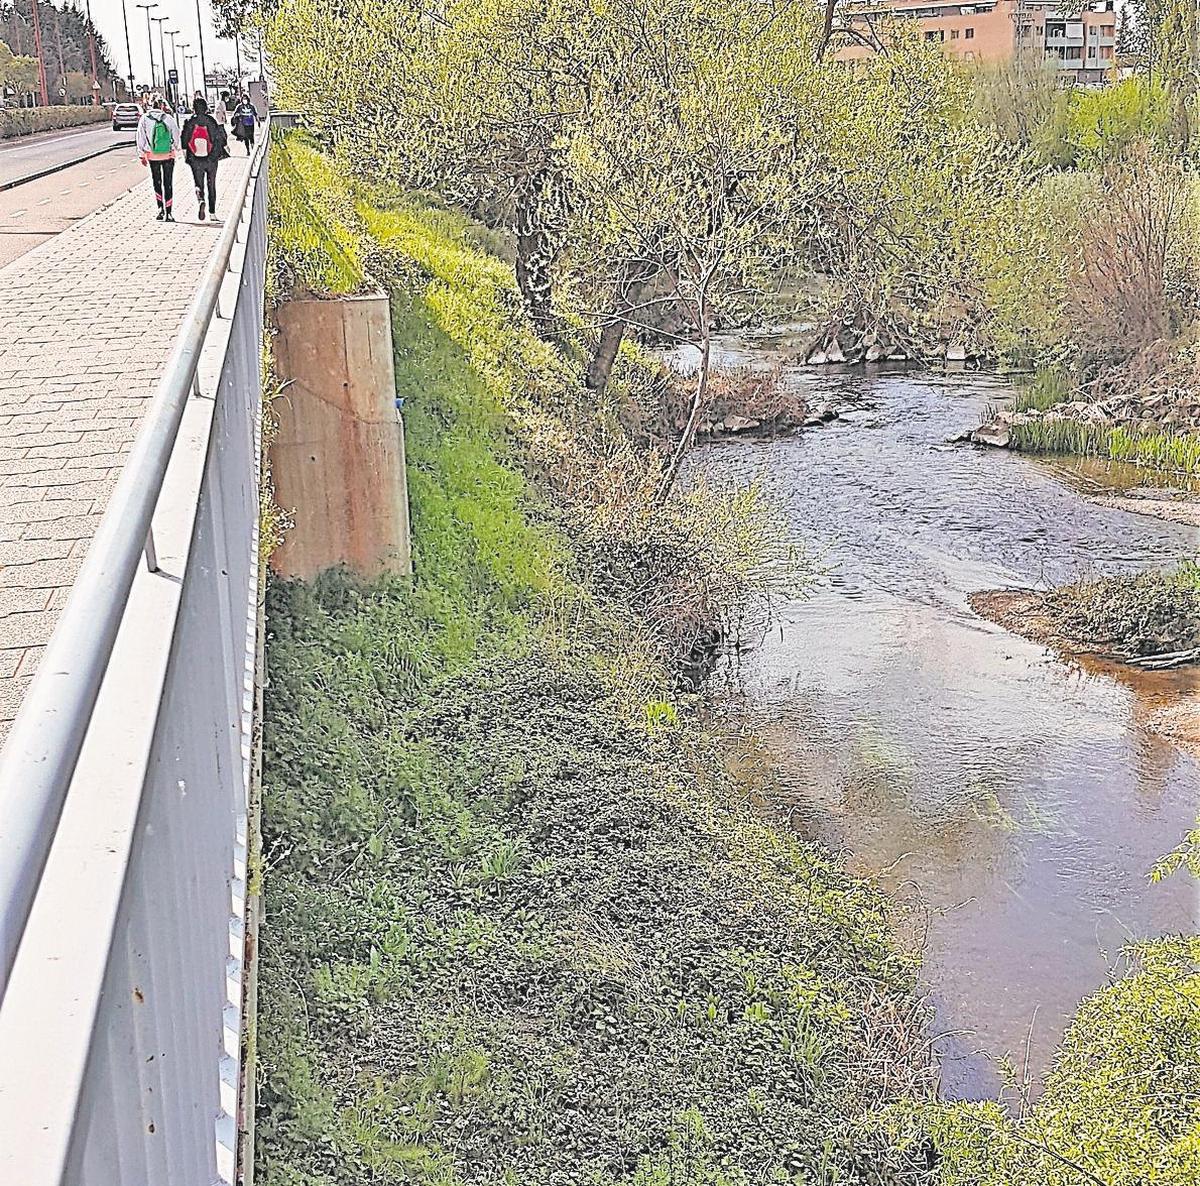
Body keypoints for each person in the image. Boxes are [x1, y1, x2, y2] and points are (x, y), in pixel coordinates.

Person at [181, 96, 227, 224]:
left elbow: (184, 141)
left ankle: (200, 200)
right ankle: (212, 213)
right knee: (211, 184)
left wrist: (187, 157)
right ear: (206, 107)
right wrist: (218, 154)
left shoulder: (190, 121)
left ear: (193, 108)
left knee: (198, 183)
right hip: (211, 159)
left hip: (195, 159)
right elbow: (219, 138)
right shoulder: (211, 121)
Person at [136, 97, 181, 222]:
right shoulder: (169, 119)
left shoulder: (144, 119)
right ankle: (169, 212)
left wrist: (141, 154)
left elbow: (140, 137)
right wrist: (176, 148)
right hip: (168, 155)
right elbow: (176, 136)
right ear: (162, 106)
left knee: (157, 181)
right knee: (168, 182)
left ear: (151, 105)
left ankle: (160, 209)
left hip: (152, 155)